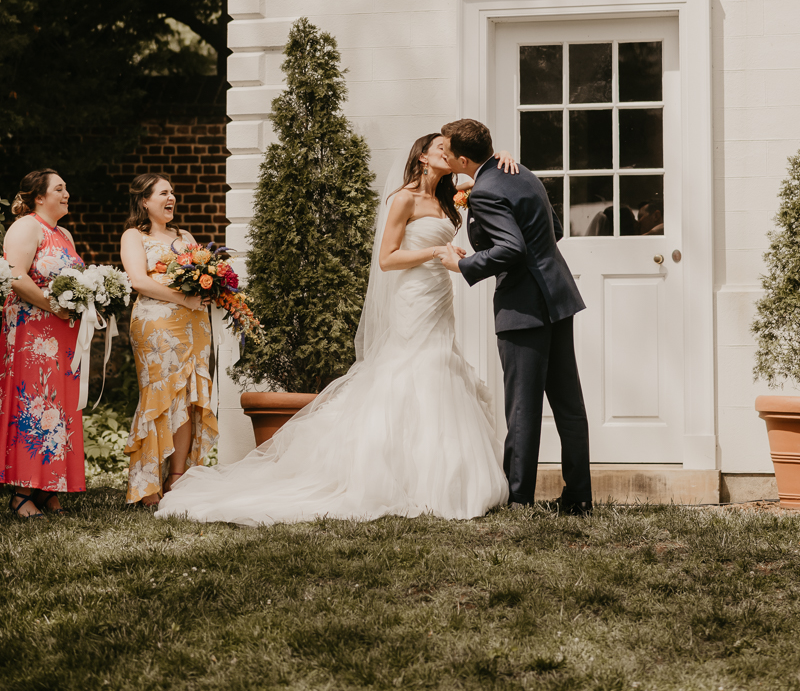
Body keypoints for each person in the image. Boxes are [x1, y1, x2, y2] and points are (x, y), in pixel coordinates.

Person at [156, 135, 519, 526]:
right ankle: (398, 477)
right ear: (423, 157)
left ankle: (445, 474)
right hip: (412, 296)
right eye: (440, 147)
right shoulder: (404, 199)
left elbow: (480, 168)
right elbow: (387, 259)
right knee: (414, 369)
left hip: (438, 295)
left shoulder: (449, 196)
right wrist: (434, 252)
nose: (447, 152)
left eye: (451, 148)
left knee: (442, 365)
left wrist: (498, 158)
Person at [438, 119, 592, 515]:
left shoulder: (487, 190)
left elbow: (510, 249)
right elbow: (553, 229)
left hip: (524, 308)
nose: (445, 155)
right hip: (557, 296)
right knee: (568, 405)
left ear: (463, 158)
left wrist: (466, 265)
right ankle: (578, 497)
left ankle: (519, 499)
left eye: (449, 151)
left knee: (522, 407)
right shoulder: (520, 172)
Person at [120, 174, 217, 508]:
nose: (171, 197)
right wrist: (184, 299)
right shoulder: (134, 236)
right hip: (155, 326)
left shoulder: (185, 236)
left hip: (194, 326)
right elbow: (138, 281)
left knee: (188, 396)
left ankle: (178, 478)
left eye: (173, 192)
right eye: (164, 193)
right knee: (160, 395)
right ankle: (148, 483)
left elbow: (201, 279)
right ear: (145, 201)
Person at [0, 169, 86, 518]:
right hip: (32, 332)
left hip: (63, 333)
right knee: (35, 402)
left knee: (60, 406)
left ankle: (48, 488)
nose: (67, 194)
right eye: (60, 189)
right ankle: (22, 492)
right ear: (39, 196)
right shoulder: (26, 226)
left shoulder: (63, 233)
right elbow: (16, 276)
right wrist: (53, 306)